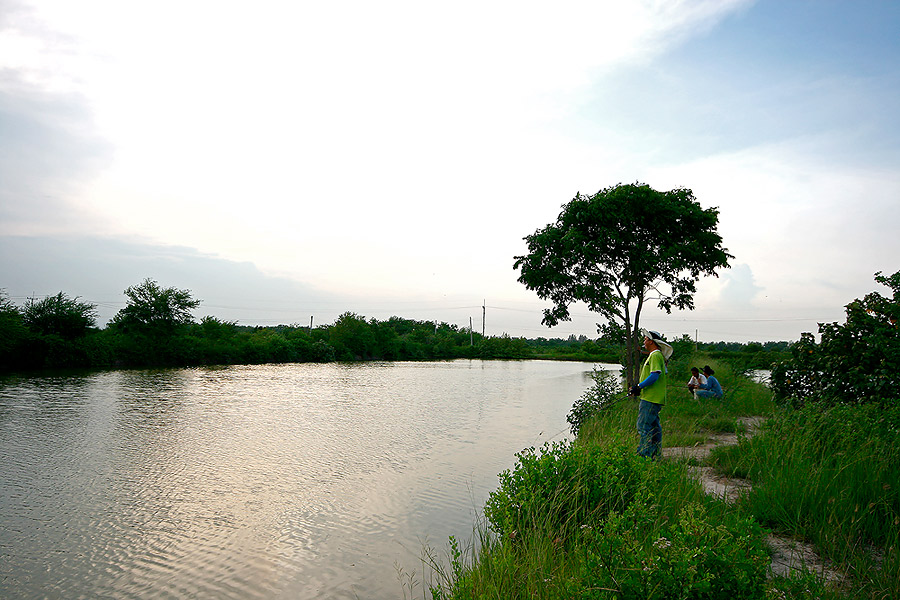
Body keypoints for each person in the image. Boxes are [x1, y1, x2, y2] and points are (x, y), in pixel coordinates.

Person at [629, 329, 673, 459]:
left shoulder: (655, 355)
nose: (644, 341)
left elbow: (654, 376)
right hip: (654, 397)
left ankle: (644, 456)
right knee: (654, 428)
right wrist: (639, 388)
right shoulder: (656, 355)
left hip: (651, 398)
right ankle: (656, 455)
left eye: (646, 339)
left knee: (643, 427)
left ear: (652, 342)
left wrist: (638, 386)